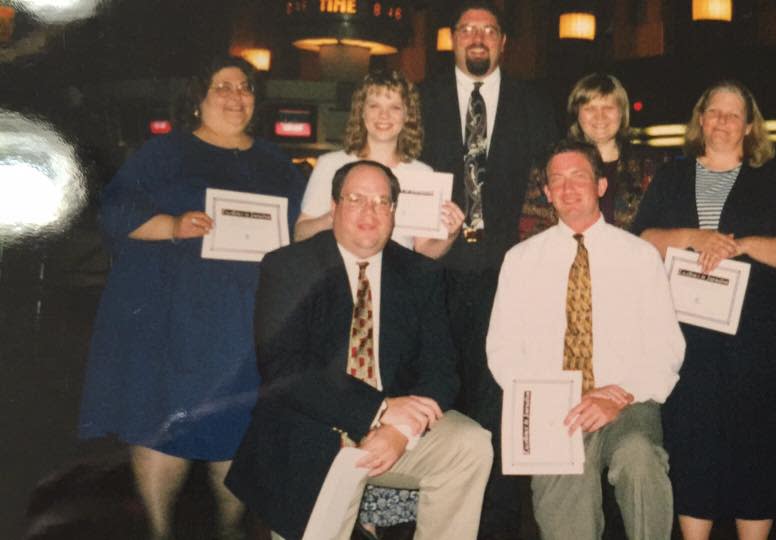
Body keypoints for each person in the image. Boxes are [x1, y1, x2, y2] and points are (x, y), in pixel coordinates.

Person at [76, 56, 305, 539]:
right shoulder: (168, 152)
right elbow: (116, 207)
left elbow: (300, 228)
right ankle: (157, 531)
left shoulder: (275, 163)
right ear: (198, 98)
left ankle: (226, 530)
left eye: (244, 87)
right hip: (171, 320)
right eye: (222, 86)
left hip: (244, 325)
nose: (235, 96)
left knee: (235, 435)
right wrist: (173, 226)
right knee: (164, 431)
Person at [225, 161, 493, 540]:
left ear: (394, 213)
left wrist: (399, 428)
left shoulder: (420, 274)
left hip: (391, 431)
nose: (370, 212)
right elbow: (284, 369)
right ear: (334, 208)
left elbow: (442, 367)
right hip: (313, 430)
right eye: (356, 199)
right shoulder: (288, 266)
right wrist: (377, 410)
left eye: (382, 202)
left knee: (471, 444)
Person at [631, 80, 776, 540]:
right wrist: (695, 237)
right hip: (687, 344)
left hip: (758, 347)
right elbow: (643, 240)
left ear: (750, 126)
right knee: (694, 449)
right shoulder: (672, 176)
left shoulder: (772, 178)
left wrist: (744, 245)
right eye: (715, 112)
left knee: (756, 452)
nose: (723, 122)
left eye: (734, 115)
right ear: (700, 118)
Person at [487, 140, 685, 540]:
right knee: (563, 507)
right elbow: (502, 350)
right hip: (554, 410)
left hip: (625, 401)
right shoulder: (521, 260)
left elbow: (667, 347)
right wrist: (548, 397)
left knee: (639, 459)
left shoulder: (639, 256)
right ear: (546, 194)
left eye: (579, 176)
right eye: (556, 180)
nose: (567, 187)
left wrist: (619, 394)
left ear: (600, 186)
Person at [418, 2, 557, 536]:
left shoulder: (534, 105)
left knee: (498, 402)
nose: (477, 38)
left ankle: (494, 524)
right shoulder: (420, 99)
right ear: (452, 39)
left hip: (507, 277)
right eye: (467, 29)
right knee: (435, 395)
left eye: (488, 30)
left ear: (503, 43)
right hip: (433, 273)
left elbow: (547, 192)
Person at [295, 69, 464, 260]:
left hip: (398, 282)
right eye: (374, 106)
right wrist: (336, 215)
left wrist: (450, 236)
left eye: (395, 107)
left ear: (407, 115)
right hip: (335, 276)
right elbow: (301, 233)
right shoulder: (330, 164)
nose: (384, 115)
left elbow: (424, 251)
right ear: (361, 111)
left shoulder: (422, 173)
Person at [519, 73, 650, 239]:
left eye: (608, 108)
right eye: (590, 108)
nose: (600, 117)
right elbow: (531, 228)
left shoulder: (647, 169)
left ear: (622, 113)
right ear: (577, 114)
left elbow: (656, 230)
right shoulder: (547, 165)